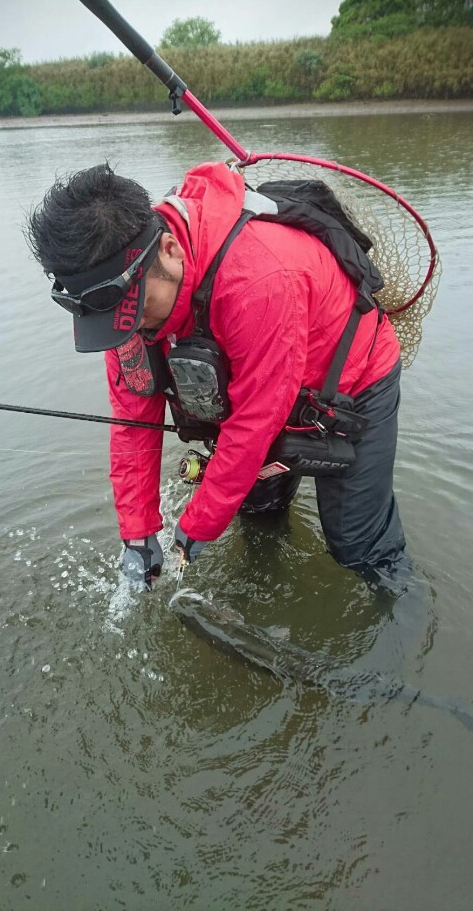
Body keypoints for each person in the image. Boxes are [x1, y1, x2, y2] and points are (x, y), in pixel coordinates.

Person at [27, 160, 408, 591]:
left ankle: (400, 603)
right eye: (117, 324)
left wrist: (197, 526)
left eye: (139, 312)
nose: (132, 332)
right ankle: (266, 590)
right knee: (257, 511)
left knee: (358, 546)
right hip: (255, 382)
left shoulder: (259, 279)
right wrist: (137, 533)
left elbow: (254, 422)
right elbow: (133, 421)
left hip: (353, 381)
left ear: (170, 250)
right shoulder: (121, 309)